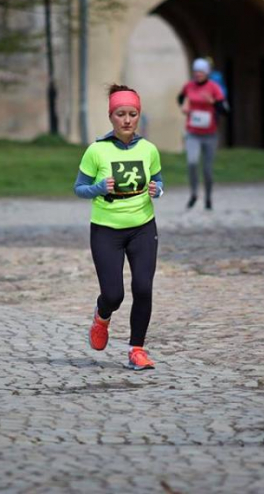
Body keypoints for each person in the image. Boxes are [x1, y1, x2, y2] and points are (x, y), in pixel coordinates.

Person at [73, 84, 164, 371]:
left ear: (139, 117)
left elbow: (159, 181)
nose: (127, 120)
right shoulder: (96, 151)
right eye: (120, 114)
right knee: (114, 294)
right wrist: (98, 188)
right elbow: (79, 188)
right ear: (111, 117)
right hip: (106, 230)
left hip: (142, 227)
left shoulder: (149, 149)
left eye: (132, 114)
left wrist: (157, 190)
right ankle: (102, 317)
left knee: (143, 288)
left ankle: (137, 350)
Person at [178, 58, 227, 210]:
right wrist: (184, 107)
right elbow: (180, 98)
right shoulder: (189, 86)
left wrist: (212, 102)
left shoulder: (214, 87)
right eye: (196, 71)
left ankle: (208, 197)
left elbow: (224, 111)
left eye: (201, 72)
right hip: (193, 132)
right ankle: (193, 194)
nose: (198, 74)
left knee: (207, 170)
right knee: (192, 162)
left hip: (210, 134)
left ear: (206, 73)